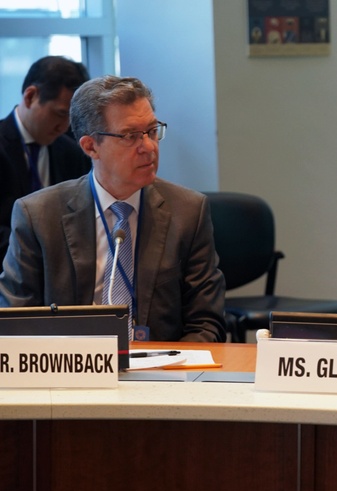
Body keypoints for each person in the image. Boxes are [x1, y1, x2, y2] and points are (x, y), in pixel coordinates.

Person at [0, 75, 226, 342]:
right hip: (71, 368)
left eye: (152, 131)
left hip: (162, 369)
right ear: (90, 146)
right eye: (131, 136)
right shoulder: (38, 214)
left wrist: (171, 375)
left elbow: (206, 324)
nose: (149, 147)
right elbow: (15, 319)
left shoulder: (188, 211)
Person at [0, 56, 93, 259]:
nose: (65, 126)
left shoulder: (72, 152)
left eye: (71, 117)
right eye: (60, 114)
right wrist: (37, 253)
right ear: (30, 96)